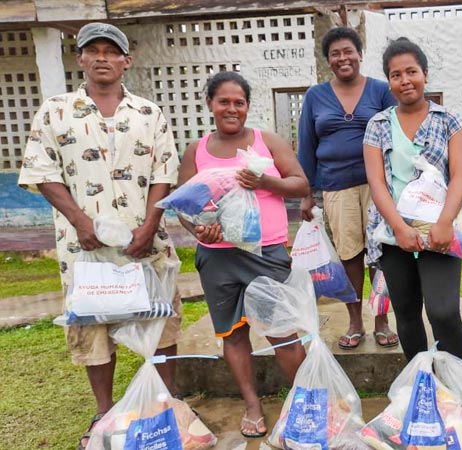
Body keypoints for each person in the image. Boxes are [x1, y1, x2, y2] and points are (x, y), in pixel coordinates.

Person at [17, 23, 184, 450]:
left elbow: (164, 172)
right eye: (95, 51)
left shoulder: (149, 113)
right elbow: (42, 171)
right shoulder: (55, 111)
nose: (104, 58)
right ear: (82, 59)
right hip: (84, 247)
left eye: (113, 51)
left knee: (160, 323)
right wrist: (79, 220)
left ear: (127, 61)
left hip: (146, 244)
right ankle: (104, 411)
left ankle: (167, 404)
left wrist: (149, 226)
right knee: (93, 329)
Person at [177, 71, 309, 438]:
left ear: (248, 106)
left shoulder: (267, 143)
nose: (231, 109)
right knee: (233, 335)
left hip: (265, 253)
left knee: (282, 331)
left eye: (239, 102)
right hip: (217, 257)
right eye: (224, 101)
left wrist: (265, 181)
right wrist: (198, 230)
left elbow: (300, 183)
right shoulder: (196, 151)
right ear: (210, 104)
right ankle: (252, 404)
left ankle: (303, 402)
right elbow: (185, 206)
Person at [363, 38, 462, 361]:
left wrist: (445, 222)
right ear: (389, 81)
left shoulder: (449, 122)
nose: (405, 80)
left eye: (412, 71)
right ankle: (421, 383)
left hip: (438, 228)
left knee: (443, 311)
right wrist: (398, 228)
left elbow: (460, 176)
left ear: (425, 73)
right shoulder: (378, 125)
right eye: (396, 75)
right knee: (407, 315)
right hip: (392, 232)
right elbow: (377, 182)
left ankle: (456, 386)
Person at [298, 27, 399, 350]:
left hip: (378, 185)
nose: (343, 58)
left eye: (348, 51)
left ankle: (381, 319)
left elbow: (394, 135)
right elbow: (306, 146)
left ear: (359, 54)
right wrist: (305, 194)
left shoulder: (381, 90)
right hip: (335, 186)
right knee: (350, 254)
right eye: (335, 54)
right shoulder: (315, 96)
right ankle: (355, 321)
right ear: (328, 60)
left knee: (380, 253)